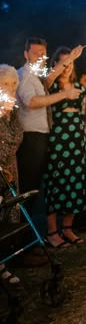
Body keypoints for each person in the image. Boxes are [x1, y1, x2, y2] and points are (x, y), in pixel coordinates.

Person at [16, 37, 82, 263]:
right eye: (35, 54)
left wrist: (71, 58)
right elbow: (32, 102)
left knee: (35, 193)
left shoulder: (37, 75)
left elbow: (51, 77)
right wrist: (65, 95)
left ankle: (29, 242)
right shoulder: (23, 76)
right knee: (27, 193)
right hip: (31, 139)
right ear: (26, 54)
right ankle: (22, 249)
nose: (40, 58)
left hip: (42, 137)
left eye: (43, 55)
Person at [44, 47, 86, 247]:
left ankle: (68, 229)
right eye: (63, 63)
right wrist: (70, 56)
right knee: (56, 182)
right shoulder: (50, 85)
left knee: (75, 182)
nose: (67, 67)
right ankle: (52, 232)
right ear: (55, 64)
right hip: (58, 141)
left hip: (77, 139)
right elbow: (47, 80)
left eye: (70, 63)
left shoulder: (79, 88)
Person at [0, 65, 24, 286]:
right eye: (5, 84)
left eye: (13, 84)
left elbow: (18, 136)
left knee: (8, 215)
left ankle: (3, 265)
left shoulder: (12, 110)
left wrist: (8, 113)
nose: (10, 88)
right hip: (0, 170)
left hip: (10, 170)